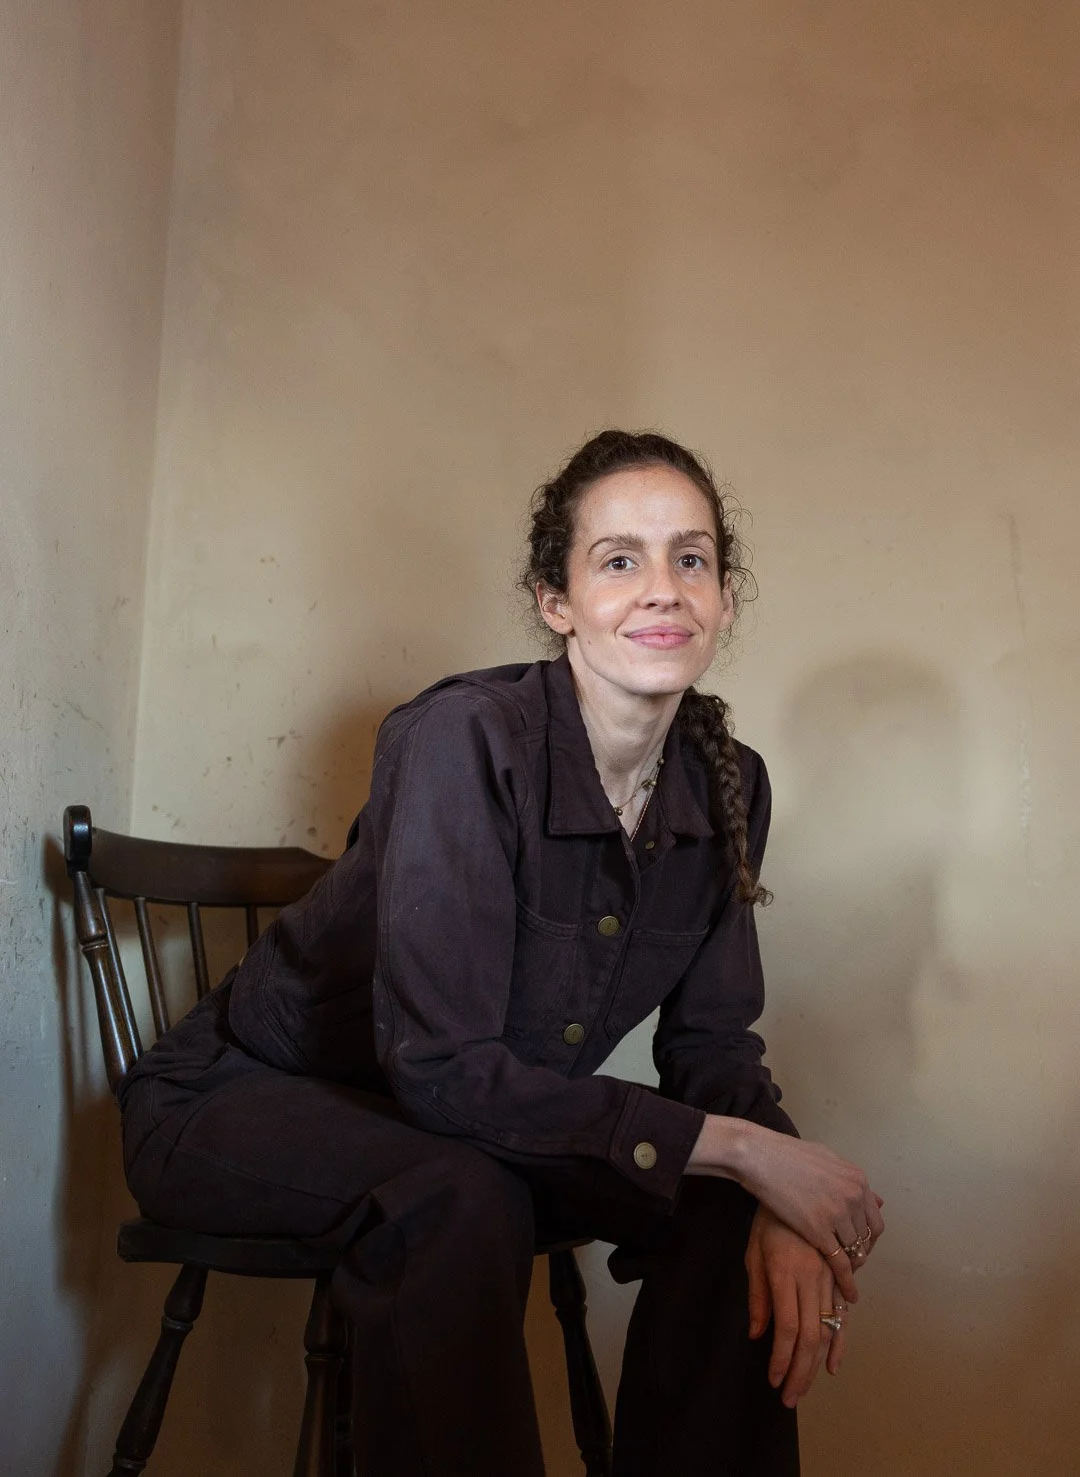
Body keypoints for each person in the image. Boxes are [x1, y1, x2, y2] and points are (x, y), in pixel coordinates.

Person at [118, 429, 884, 1476]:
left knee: (718, 1200)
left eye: (691, 558)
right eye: (620, 560)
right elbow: (439, 1071)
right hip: (242, 1102)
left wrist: (779, 1185)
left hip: (464, 1127)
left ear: (726, 598)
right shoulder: (465, 741)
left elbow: (714, 1052)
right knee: (462, 1195)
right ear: (554, 600)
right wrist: (751, 1149)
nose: (662, 589)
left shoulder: (727, 781)